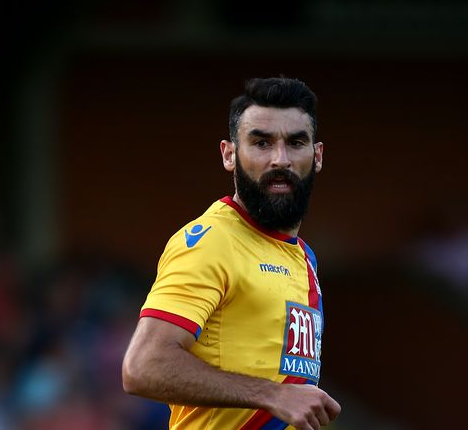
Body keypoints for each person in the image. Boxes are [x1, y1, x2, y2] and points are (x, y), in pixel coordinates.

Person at [122, 76, 341, 430]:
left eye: (295, 142)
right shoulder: (212, 241)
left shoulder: (304, 257)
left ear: (316, 156)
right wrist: (272, 394)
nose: (280, 159)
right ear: (229, 154)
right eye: (261, 143)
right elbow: (143, 366)